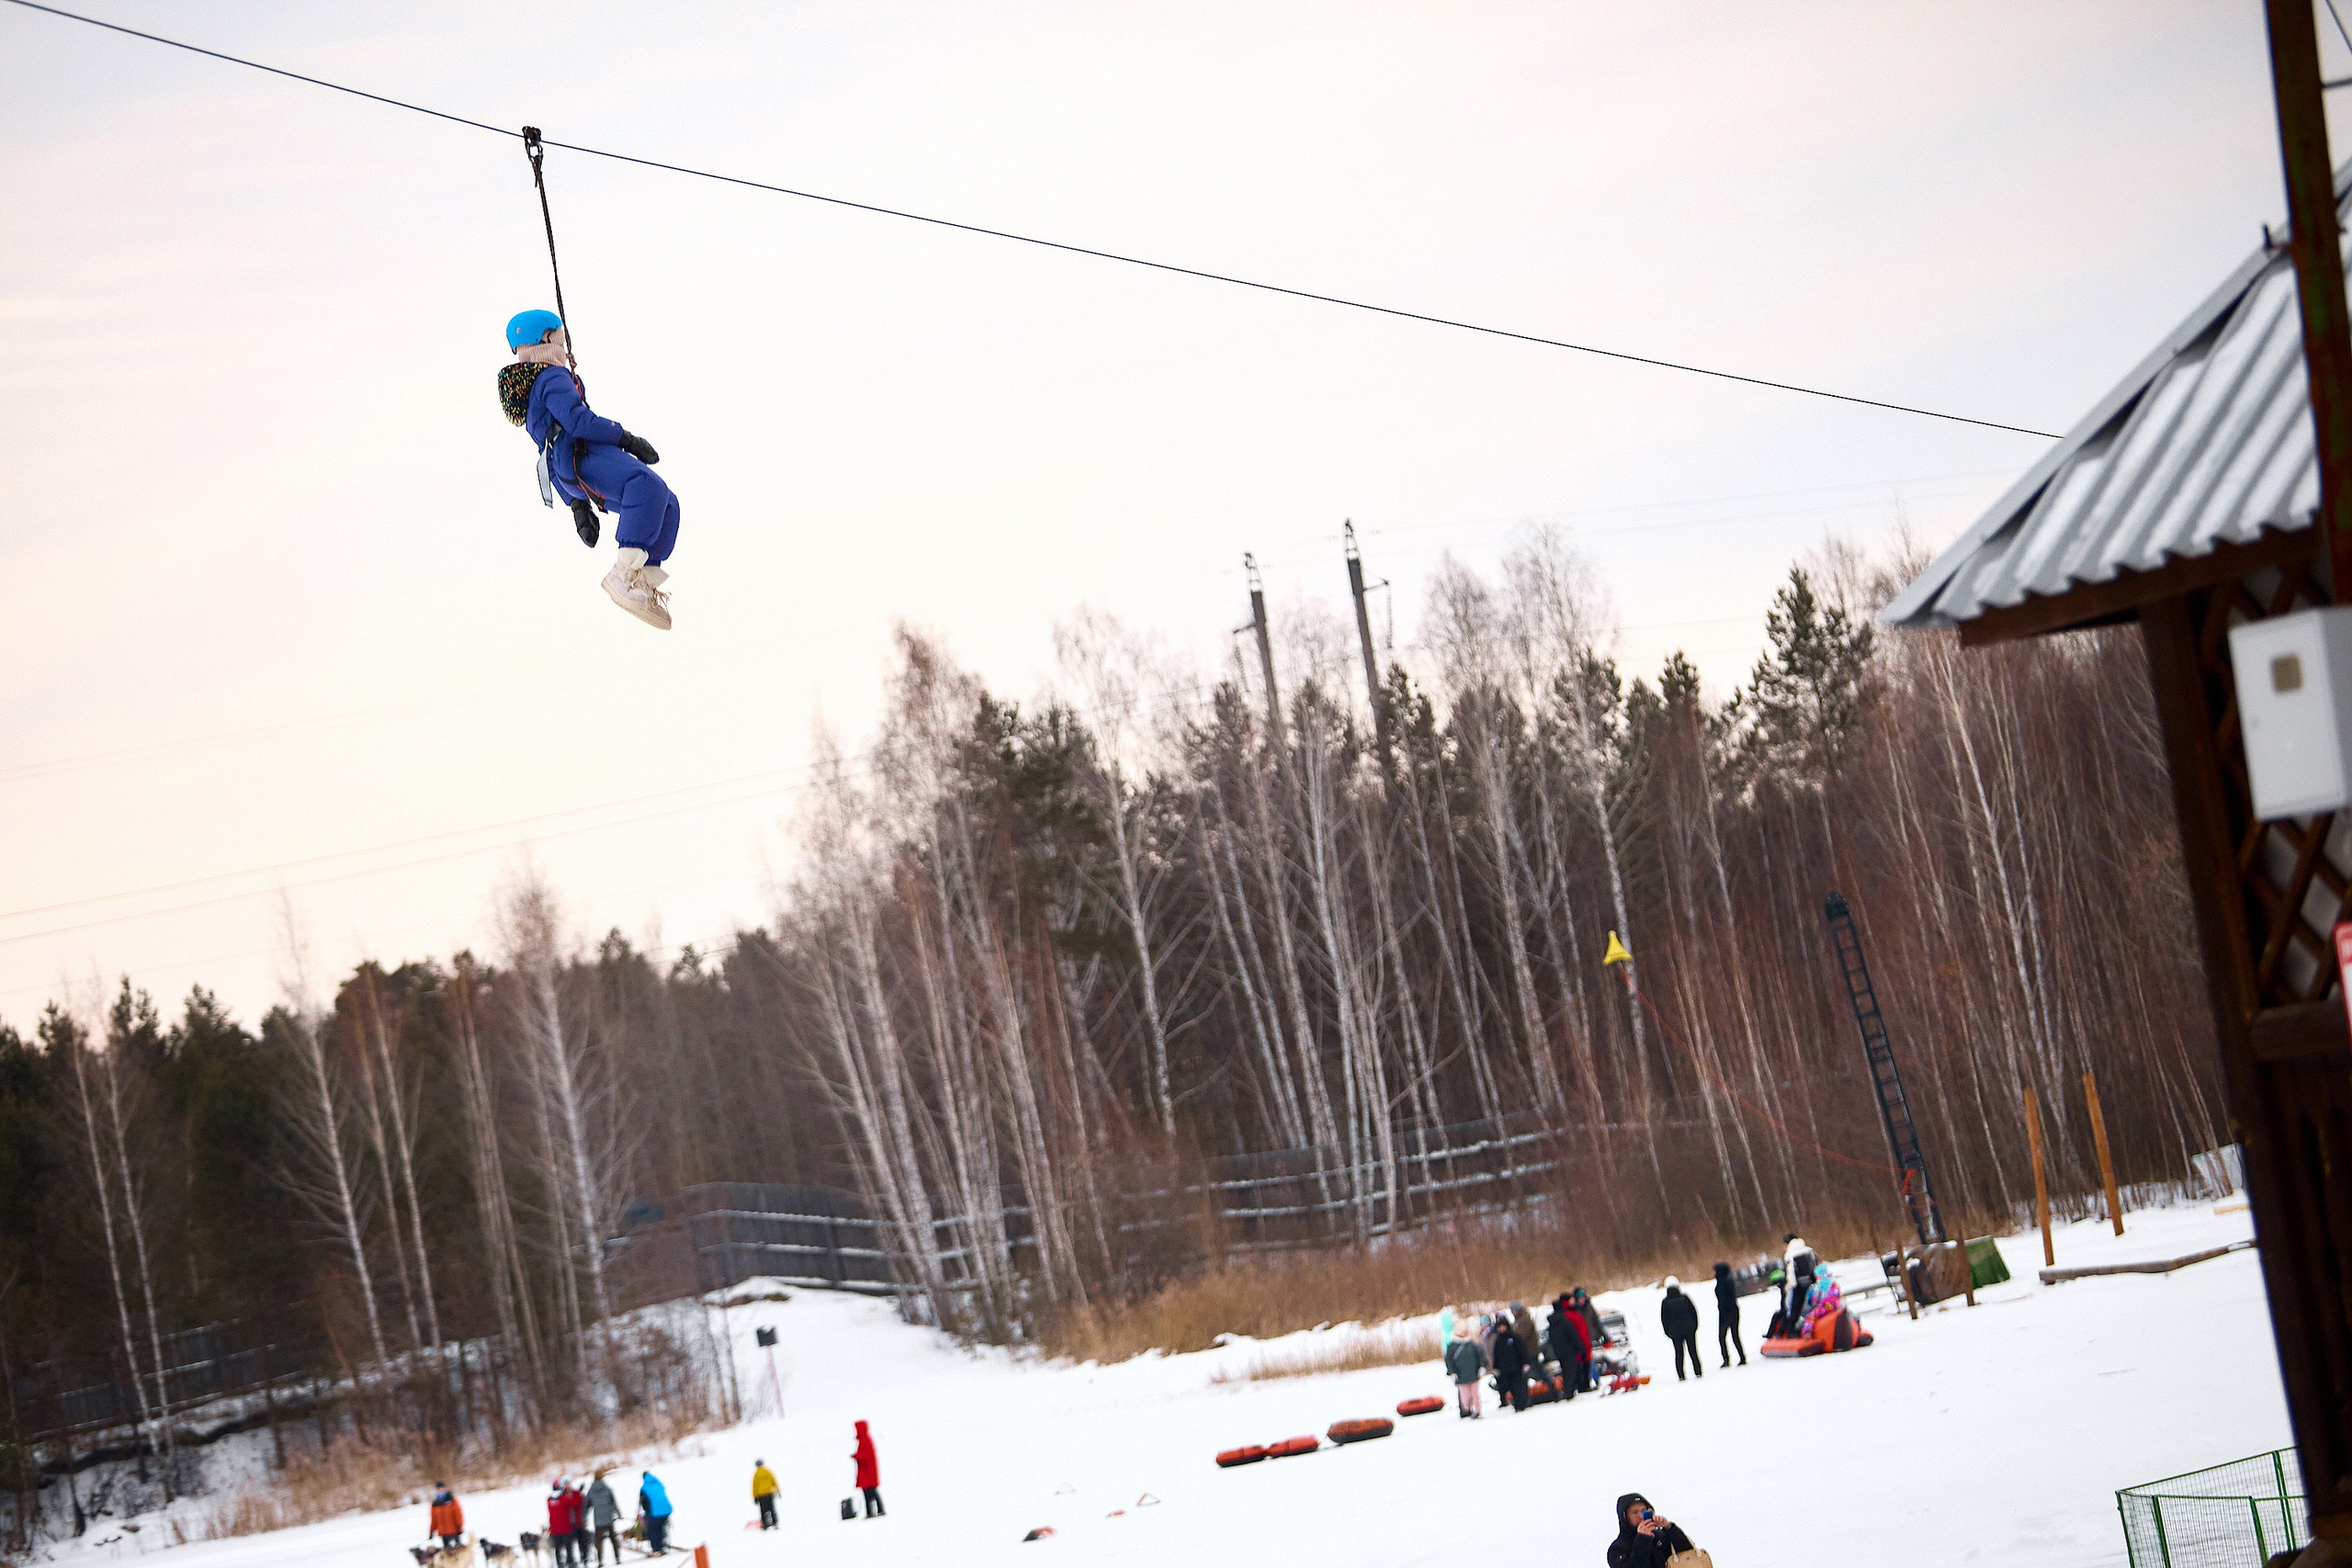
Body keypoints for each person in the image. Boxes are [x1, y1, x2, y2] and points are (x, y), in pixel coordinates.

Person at [498, 310, 681, 631]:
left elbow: (545, 447)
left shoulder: (541, 383)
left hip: (569, 468)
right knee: (645, 487)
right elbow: (578, 422)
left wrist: (577, 505)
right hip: (582, 455)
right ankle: (623, 576)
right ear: (545, 339)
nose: (566, 344)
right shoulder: (551, 378)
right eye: (561, 336)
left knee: (666, 503)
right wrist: (627, 438)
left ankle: (643, 582)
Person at [1607, 1492, 1697, 1568]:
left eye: (1643, 1511)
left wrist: (1669, 1528)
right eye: (1634, 1512)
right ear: (1625, 1518)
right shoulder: (1617, 1549)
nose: (1641, 1516)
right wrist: (1642, 1539)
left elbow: (1688, 1554)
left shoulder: (1660, 1536)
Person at [1660, 1277, 1702, 1382]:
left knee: (1679, 1353)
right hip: (1689, 1329)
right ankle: (1698, 1371)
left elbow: (1664, 1319)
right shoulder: (1685, 1298)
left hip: (1675, 1332)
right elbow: (1694, 1312)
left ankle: (1681, 1375)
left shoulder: (1665, 1302)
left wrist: (1668, 1332)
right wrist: (1694, 1326)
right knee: (1693, 1351)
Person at [1546, 1293, 1589, 1401]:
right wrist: (1581, 1347)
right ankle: (1568, 1392)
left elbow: (1551, 1340)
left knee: (1565, 1371)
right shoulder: (1565, 1321)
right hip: (1570, 1350)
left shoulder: (1552, 1324)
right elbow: (1573, 1335)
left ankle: (1567, 1390)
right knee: (1571, 1371)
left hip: (1559, 1351)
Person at [1444, 1318, 1487, 1418]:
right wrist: (1452, 1372)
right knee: (1465, 1396)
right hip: (1461, 1375)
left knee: (1475, 1394)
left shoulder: (1471, 1344)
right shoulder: (1452, 1346)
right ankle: (1467, 1409)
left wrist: (1482, 1366)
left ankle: (1477, 1411)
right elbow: (1449, 1360)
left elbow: (1480, 1355)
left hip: (1474, 1373)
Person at [1490, 1320, 1532, 1412]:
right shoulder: (1498, 1340)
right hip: (1505, 1369)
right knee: (1510, 1387)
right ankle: (1515, 1402)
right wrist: (1495, 1367)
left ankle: (1521, 1403)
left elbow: (1522, 1351)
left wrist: (1525, 1362)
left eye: (1503, 1327)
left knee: (1518, 1386)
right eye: (1500, 1327)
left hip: (1516, 1367)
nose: (1502, 1329)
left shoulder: (1514, 1337)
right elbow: (1496, 1355)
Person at [1712, 1262, 1747, 1367]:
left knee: (1722, 1337)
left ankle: (1726, 1359)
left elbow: (1723, 1301)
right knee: (1735, 1335)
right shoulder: (1729, 1280)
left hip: (1726, 1313)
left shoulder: (1721, 1283)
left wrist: (1723, 1315)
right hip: (1734, 1310)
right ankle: (1742, 1357)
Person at [585, 1472, 622, 1565]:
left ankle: (600, 1561)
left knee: (599, 1541)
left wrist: (584, 1518)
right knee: (613, 1539)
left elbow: (587, 1505)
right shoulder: (607, 1488)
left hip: (598, 1519)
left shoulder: (591, 1490)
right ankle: (617, 1558)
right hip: (608, 1517)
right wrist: (618, 1514)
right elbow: (613, 1502)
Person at [547, 1478, 583, 1568]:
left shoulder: (549, 1500)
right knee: (568, 1548)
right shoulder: (564, 1499)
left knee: (557, 1549)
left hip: (554, 1530)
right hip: (565, 1528)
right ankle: (571, 1563)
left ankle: (560, 1564)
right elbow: (576, 1502)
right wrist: (579, 1492)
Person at [852, 1419, 883, 1517]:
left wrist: (856, 1456)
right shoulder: (865, 1440)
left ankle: (873, 1511)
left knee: (869, 1493)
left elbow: (866, 1455)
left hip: (867, 1473)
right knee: (871, 1492)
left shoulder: (865, 1440)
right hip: (866, 1472)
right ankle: (876, 1510)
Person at [1509, 1301, 1547, 1380]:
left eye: (1513, 1310)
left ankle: (1548, 1385)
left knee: (1537, 1371)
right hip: (1525, 1351)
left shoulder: (1525, 1319)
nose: (1512, 1313)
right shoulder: (1518, 1320)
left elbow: (1521, 1335)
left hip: (1530, 1350)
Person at [639, 1470, 673, 1554]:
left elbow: (643, 1502)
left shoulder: (644, 1488)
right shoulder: (659, 1483)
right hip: (666, 1510)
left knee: (652, 1530)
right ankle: (662, 1545)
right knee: (660, 1528)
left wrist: (647, 1512)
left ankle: (656, 1549)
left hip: (655, 1512)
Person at [428, 1482, 464, 1550]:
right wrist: (432, 1530)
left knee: (458, 1550)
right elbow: (434, 1519)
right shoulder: (435, 1503)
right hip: (443, 1532)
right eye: (438, 1488)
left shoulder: (451, 1500)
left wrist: (459, 1525)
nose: (440, 1490)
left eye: (441, 1488)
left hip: (454, 1530)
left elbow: (458, 1513)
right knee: (447, 1552)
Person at [752, 1458, 780, 1530]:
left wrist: (755, 1496)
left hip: (761, 1495)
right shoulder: (768, 1471)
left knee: (763, 1510)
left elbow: (754, 1486)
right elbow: (774, 1481)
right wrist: (778, 1491)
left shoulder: (756, 1474)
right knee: (771, 1508)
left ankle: (765, 1524)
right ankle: (775, 1522)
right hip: (769, 1493)